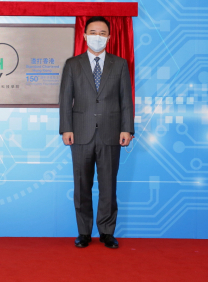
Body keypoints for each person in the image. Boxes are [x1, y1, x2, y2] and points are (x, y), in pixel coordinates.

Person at [59, 16, 134, 249]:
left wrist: (127, 128)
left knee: (108, 186)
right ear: (84, 35)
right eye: (93, 32)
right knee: (82, 185)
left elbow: (126, 101)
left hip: (112, 133)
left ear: (109, 37)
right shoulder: (73, 64)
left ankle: (107, 232)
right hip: (80, 133)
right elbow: (65, 99)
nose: (97, 36)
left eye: (102, 33)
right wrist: (66, 128)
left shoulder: (120, 64)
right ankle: (83, 232)